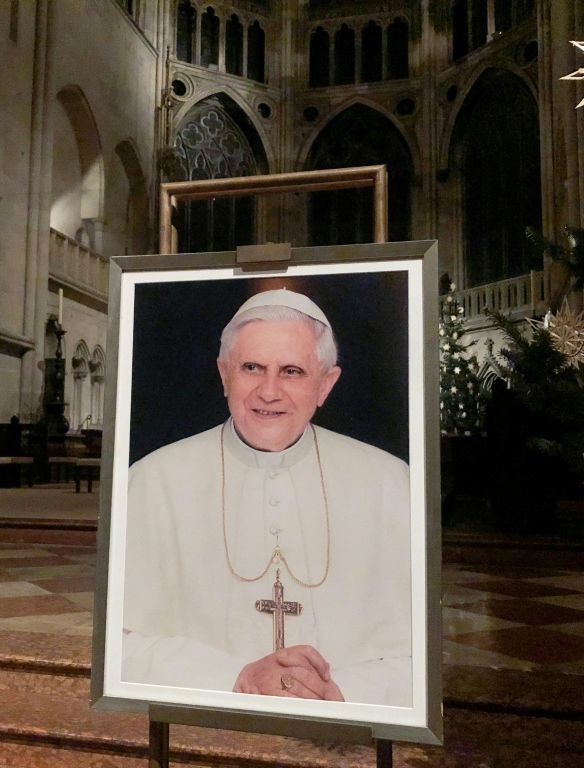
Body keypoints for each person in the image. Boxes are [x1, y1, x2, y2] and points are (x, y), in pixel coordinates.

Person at [122, 288, 412, 707]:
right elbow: (120, 646)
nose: (269, 391)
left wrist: (341, 691)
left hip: (340, 733)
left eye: (292, 371)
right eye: (252, 368)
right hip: (204, 723)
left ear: (325, 385)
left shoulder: (390, 484)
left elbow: (419, 654)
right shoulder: (153, 481)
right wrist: (234, 678)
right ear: (225, 374)